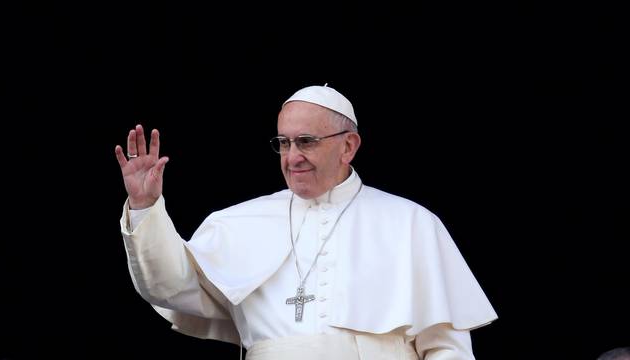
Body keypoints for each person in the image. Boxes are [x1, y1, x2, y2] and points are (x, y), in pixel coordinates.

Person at [115, 85, 498, 359]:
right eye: (283, 143)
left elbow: (448, 346)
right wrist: (146, 206)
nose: (292, 156)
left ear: (348, 146)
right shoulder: (239, 222)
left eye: (307, 141)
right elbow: (169, 286)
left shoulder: (412, 223)